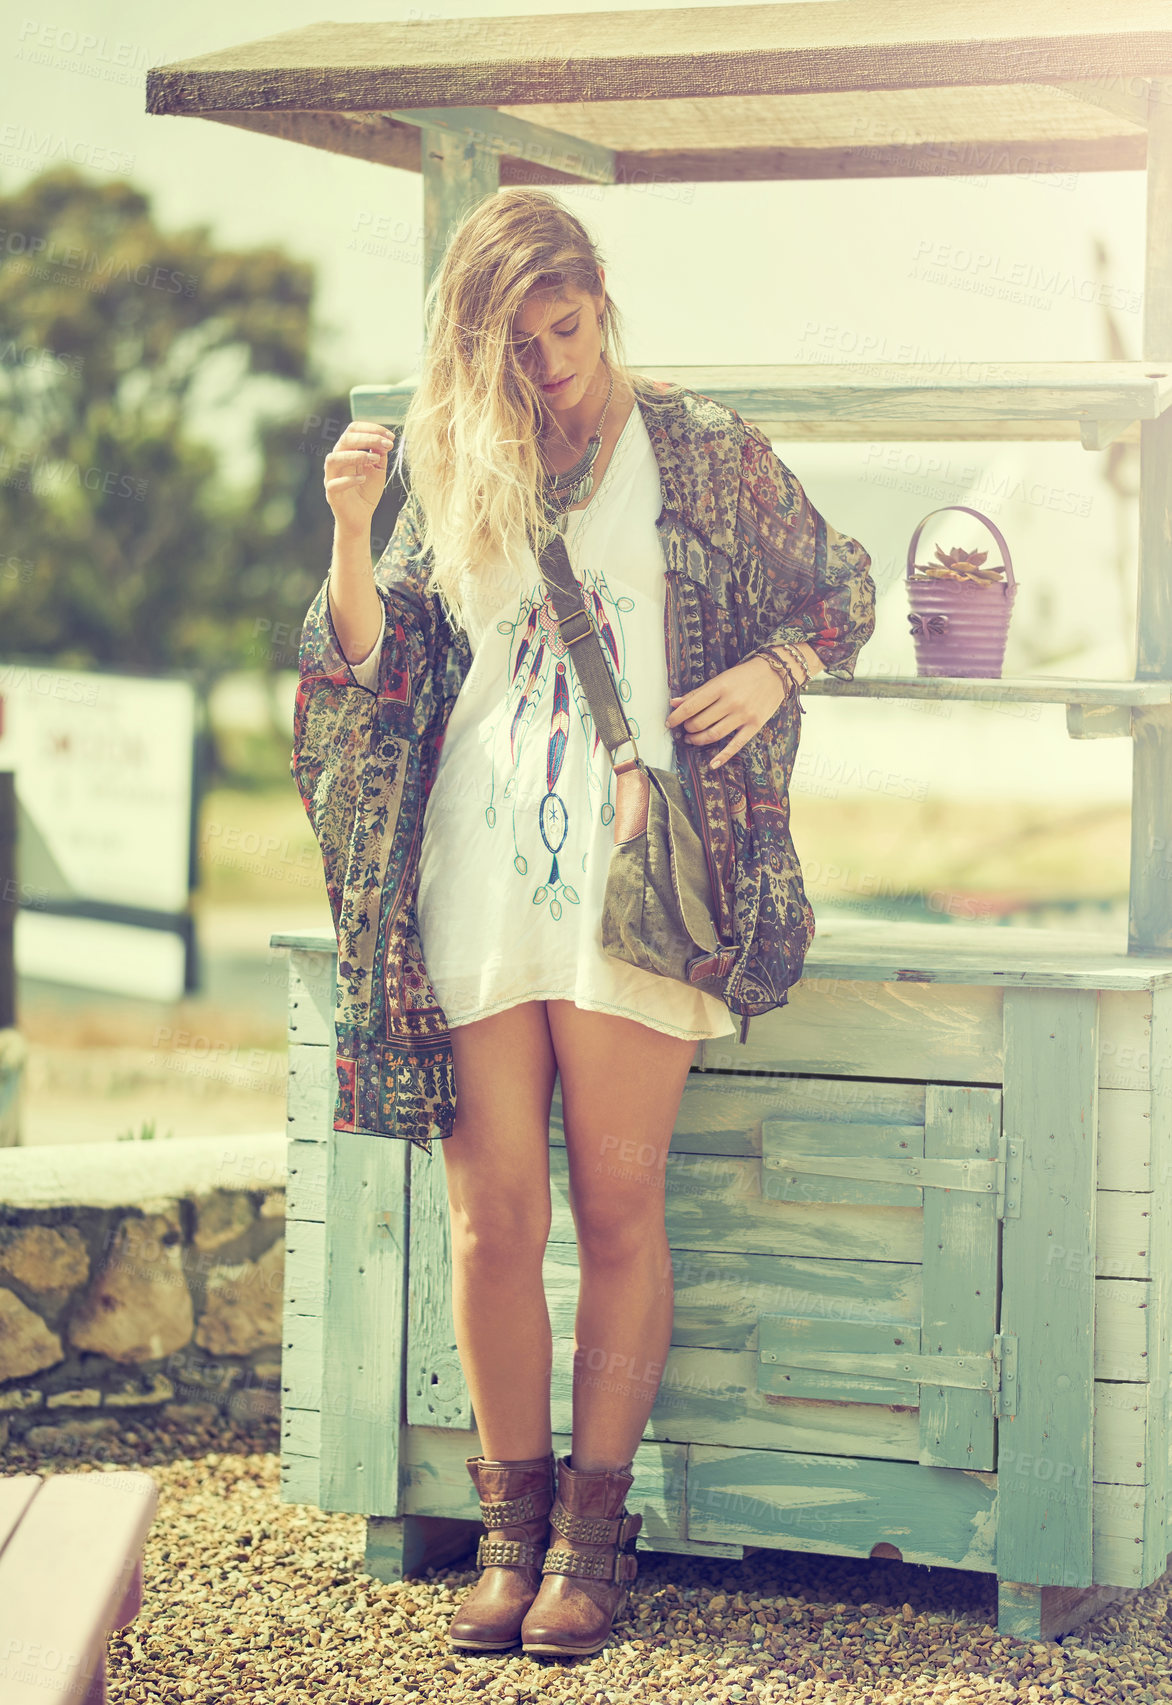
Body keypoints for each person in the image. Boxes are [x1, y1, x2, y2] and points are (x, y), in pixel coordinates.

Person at [306, 187, 875, 1661]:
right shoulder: (457, 451)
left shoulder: (704, 452)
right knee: (495, 1217)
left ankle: (595, 1540)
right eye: (519, 340)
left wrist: (774, 668)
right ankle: (508, 1525)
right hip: (479, 871)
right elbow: (384, 667)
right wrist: (352, 532)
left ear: (602, 299)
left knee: (619, 1210)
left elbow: (848, 584)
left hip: (638, 886)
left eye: (566, 328)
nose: (550, 363)